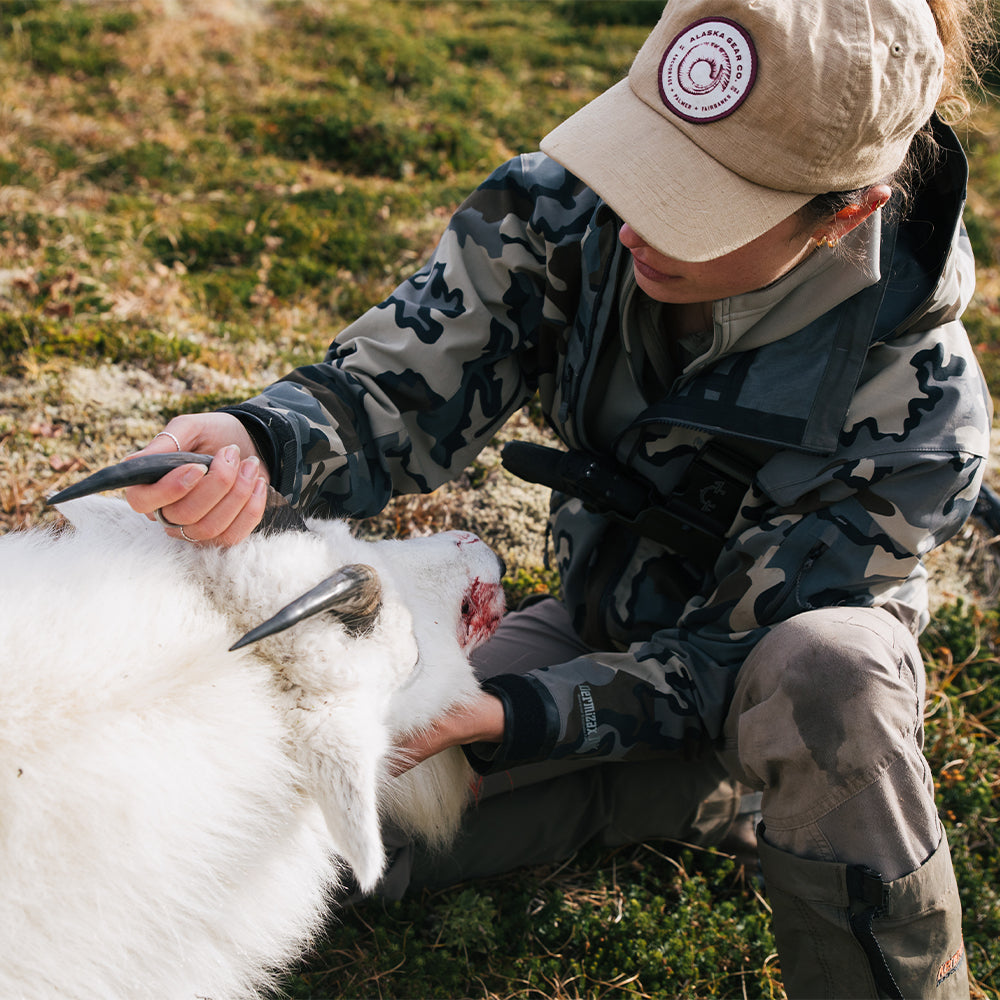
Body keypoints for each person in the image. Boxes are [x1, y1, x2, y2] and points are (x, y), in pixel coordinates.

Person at [124, 0, 993, 995]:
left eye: (699, 206)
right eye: (648, 161)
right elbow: (396, 392)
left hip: (769, 704)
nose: (637, 222)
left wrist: (508, 716)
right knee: (291, 831)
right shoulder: (564, 214)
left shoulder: (914, 403)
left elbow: (730, 661)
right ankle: (668, 799)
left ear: (849, 212)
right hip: (588, 637)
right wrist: (261, 440)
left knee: (834, 666)